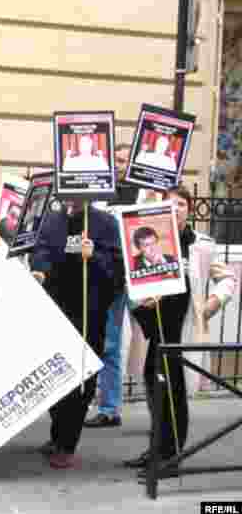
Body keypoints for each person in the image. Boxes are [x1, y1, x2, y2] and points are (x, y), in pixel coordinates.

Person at [124, 186, 236, 471]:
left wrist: (213, 303)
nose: (176, 209)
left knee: (175, 394)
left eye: (182, 204)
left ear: (189, 208)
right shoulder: (152, 242)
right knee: (153, 387)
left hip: (181, 332)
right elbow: (134, 281)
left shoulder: (201, 245)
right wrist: (142, 301)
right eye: (169, 204)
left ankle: (171, 458)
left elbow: (227, 280)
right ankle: (158, 450)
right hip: (154, 331)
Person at [31, 198, 123, 469]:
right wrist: (40, 270)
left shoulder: (105, 223)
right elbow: (40, 252)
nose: (70, 198)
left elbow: (118, 269)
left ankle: (67, 443)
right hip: (55, 308)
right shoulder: (51, 219)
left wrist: (94, 255)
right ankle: (58, 433)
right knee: (54, 373)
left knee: (81, 378)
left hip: (90, 312)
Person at [85, 143, 137, 429]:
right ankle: (109, 408)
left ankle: (162, 415)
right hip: (114, 277)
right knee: (111, 343)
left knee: (158, 343)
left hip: (142, 276)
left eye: (125, 161)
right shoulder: (101, 194)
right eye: (117, 159)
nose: (121, 165)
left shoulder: (144, 192)